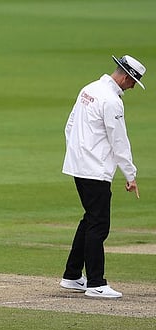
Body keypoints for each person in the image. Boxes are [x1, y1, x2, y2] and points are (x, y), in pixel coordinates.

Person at [60, 55, 146, 299]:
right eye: (133, 82)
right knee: (99, 225)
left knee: (90, 220)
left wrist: (77, 153)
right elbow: (119, 141)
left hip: (79, 165)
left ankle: (72, 276)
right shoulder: (111, 101)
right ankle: (96, 282)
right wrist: (130, 175)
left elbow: (70, 125)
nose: (132, 88)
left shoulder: (89, 89)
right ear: (126, 76)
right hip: (95, 169)